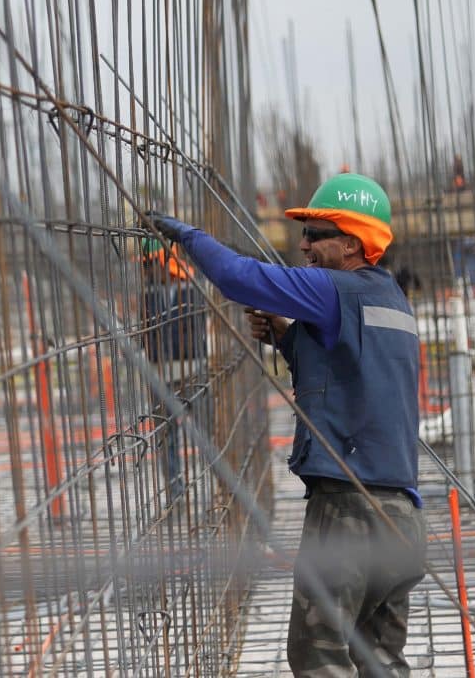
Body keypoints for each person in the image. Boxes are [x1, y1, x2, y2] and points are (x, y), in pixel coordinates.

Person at [144, 173, 426, 677]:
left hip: (348, 513)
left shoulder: (335, 289)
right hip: (402, 519)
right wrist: (288, 340)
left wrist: (188, 237)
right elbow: (355, 376)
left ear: (351, 242)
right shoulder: (390, 299)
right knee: (381, 663)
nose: (304, 245)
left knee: (319, 658)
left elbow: (239, 278)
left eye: (315, 234)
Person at [139, 238, 206, 503]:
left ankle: (218, 485)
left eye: (151, 263)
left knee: (205, 431)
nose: (147, 270)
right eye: (146, 265)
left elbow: (191, 330)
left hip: (191, 372)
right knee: (166, 439)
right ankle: (176, 494)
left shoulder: (190, 287)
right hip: (160, 376)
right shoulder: (148, 292)